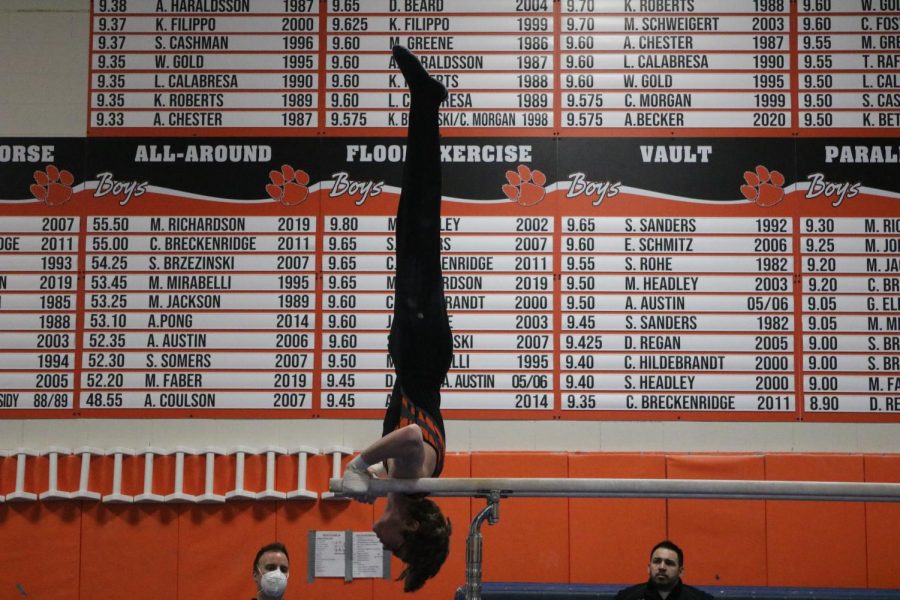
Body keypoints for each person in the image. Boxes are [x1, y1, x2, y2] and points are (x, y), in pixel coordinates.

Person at [340, 45, 452, 593]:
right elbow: (409, 433)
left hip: (419, 350)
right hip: (423, 349)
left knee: (413, 217)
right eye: (395, 549)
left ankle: (424, 102)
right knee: (419, 216)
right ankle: (426, 102)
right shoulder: (412, 478)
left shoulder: (411, 482)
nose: (382, 545)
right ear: (407, 529)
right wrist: (360, 465)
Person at [615, 540, 713, 600]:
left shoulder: (700, 598)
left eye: (669, 563)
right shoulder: (626, 597)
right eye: (657, 561)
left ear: (681, 571)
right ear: (649, 568)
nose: (662, 567)